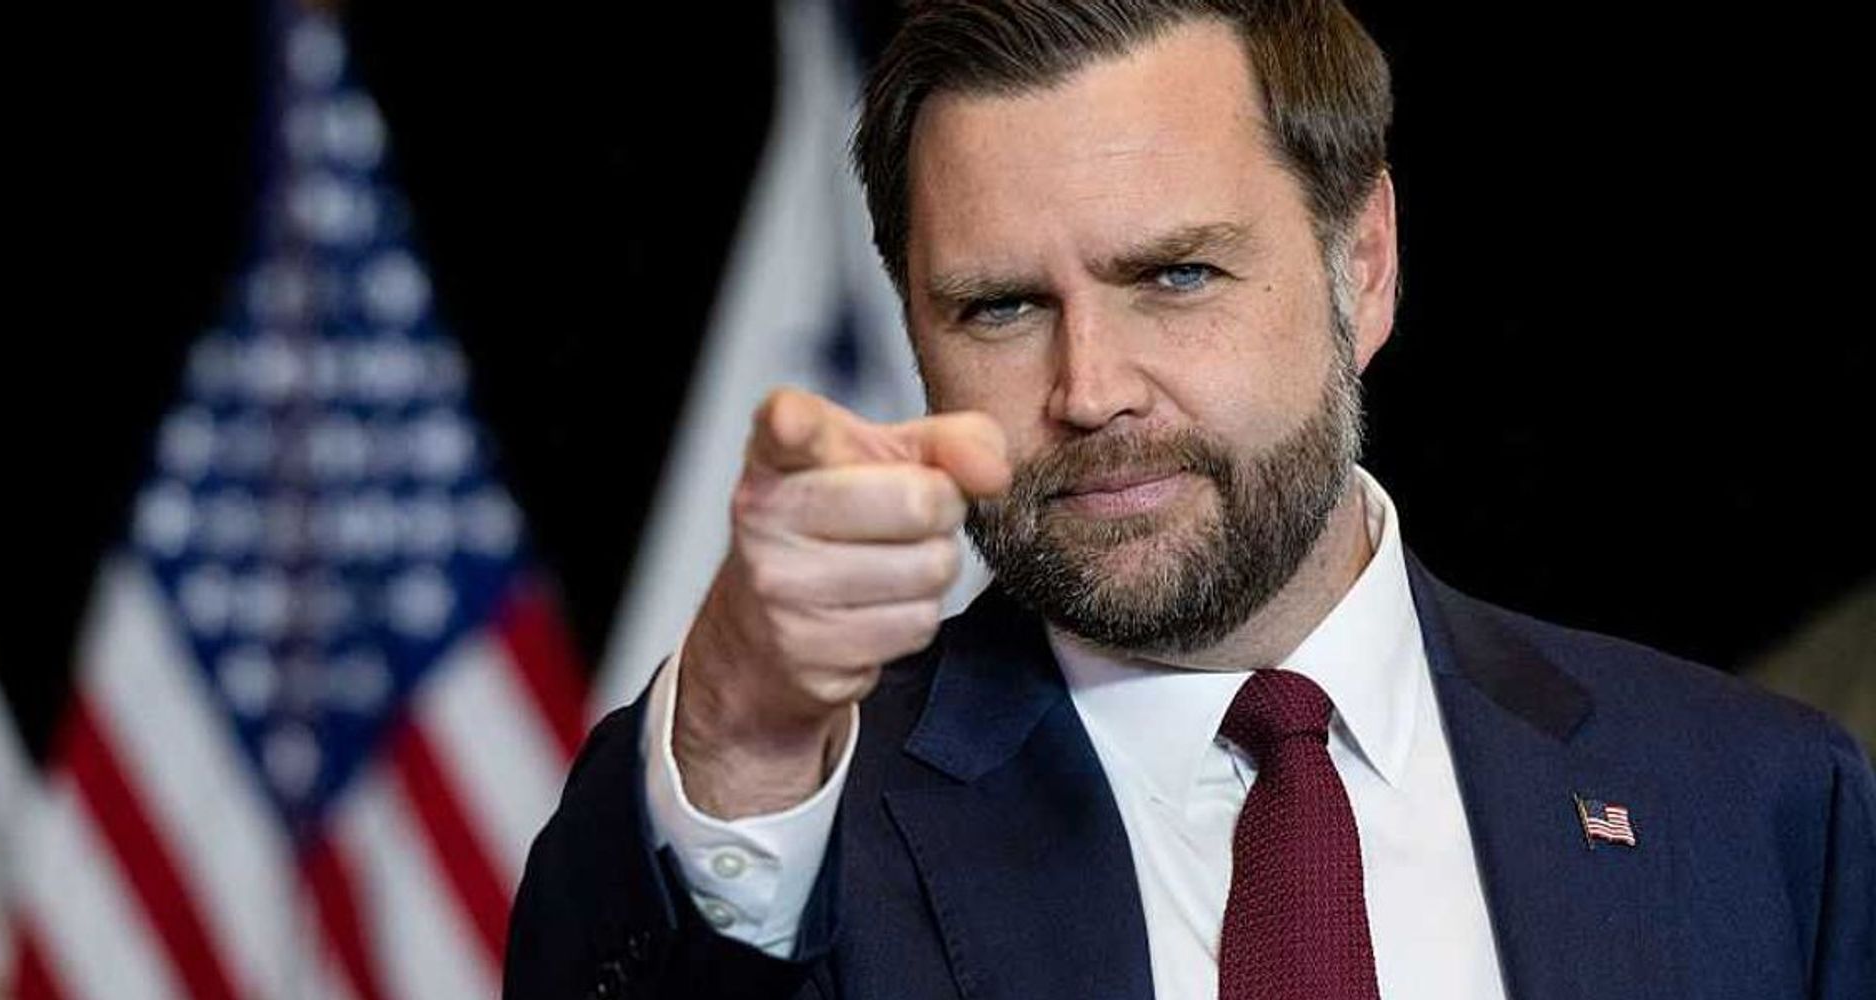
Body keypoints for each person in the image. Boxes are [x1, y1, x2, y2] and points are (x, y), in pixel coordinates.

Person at [505, 2, 1876, 998]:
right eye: (1001, 306)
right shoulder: (796, 819)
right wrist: (741, 726)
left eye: (1175, 276)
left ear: (1364, 266)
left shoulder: (1757, 803)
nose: (1090, 388)